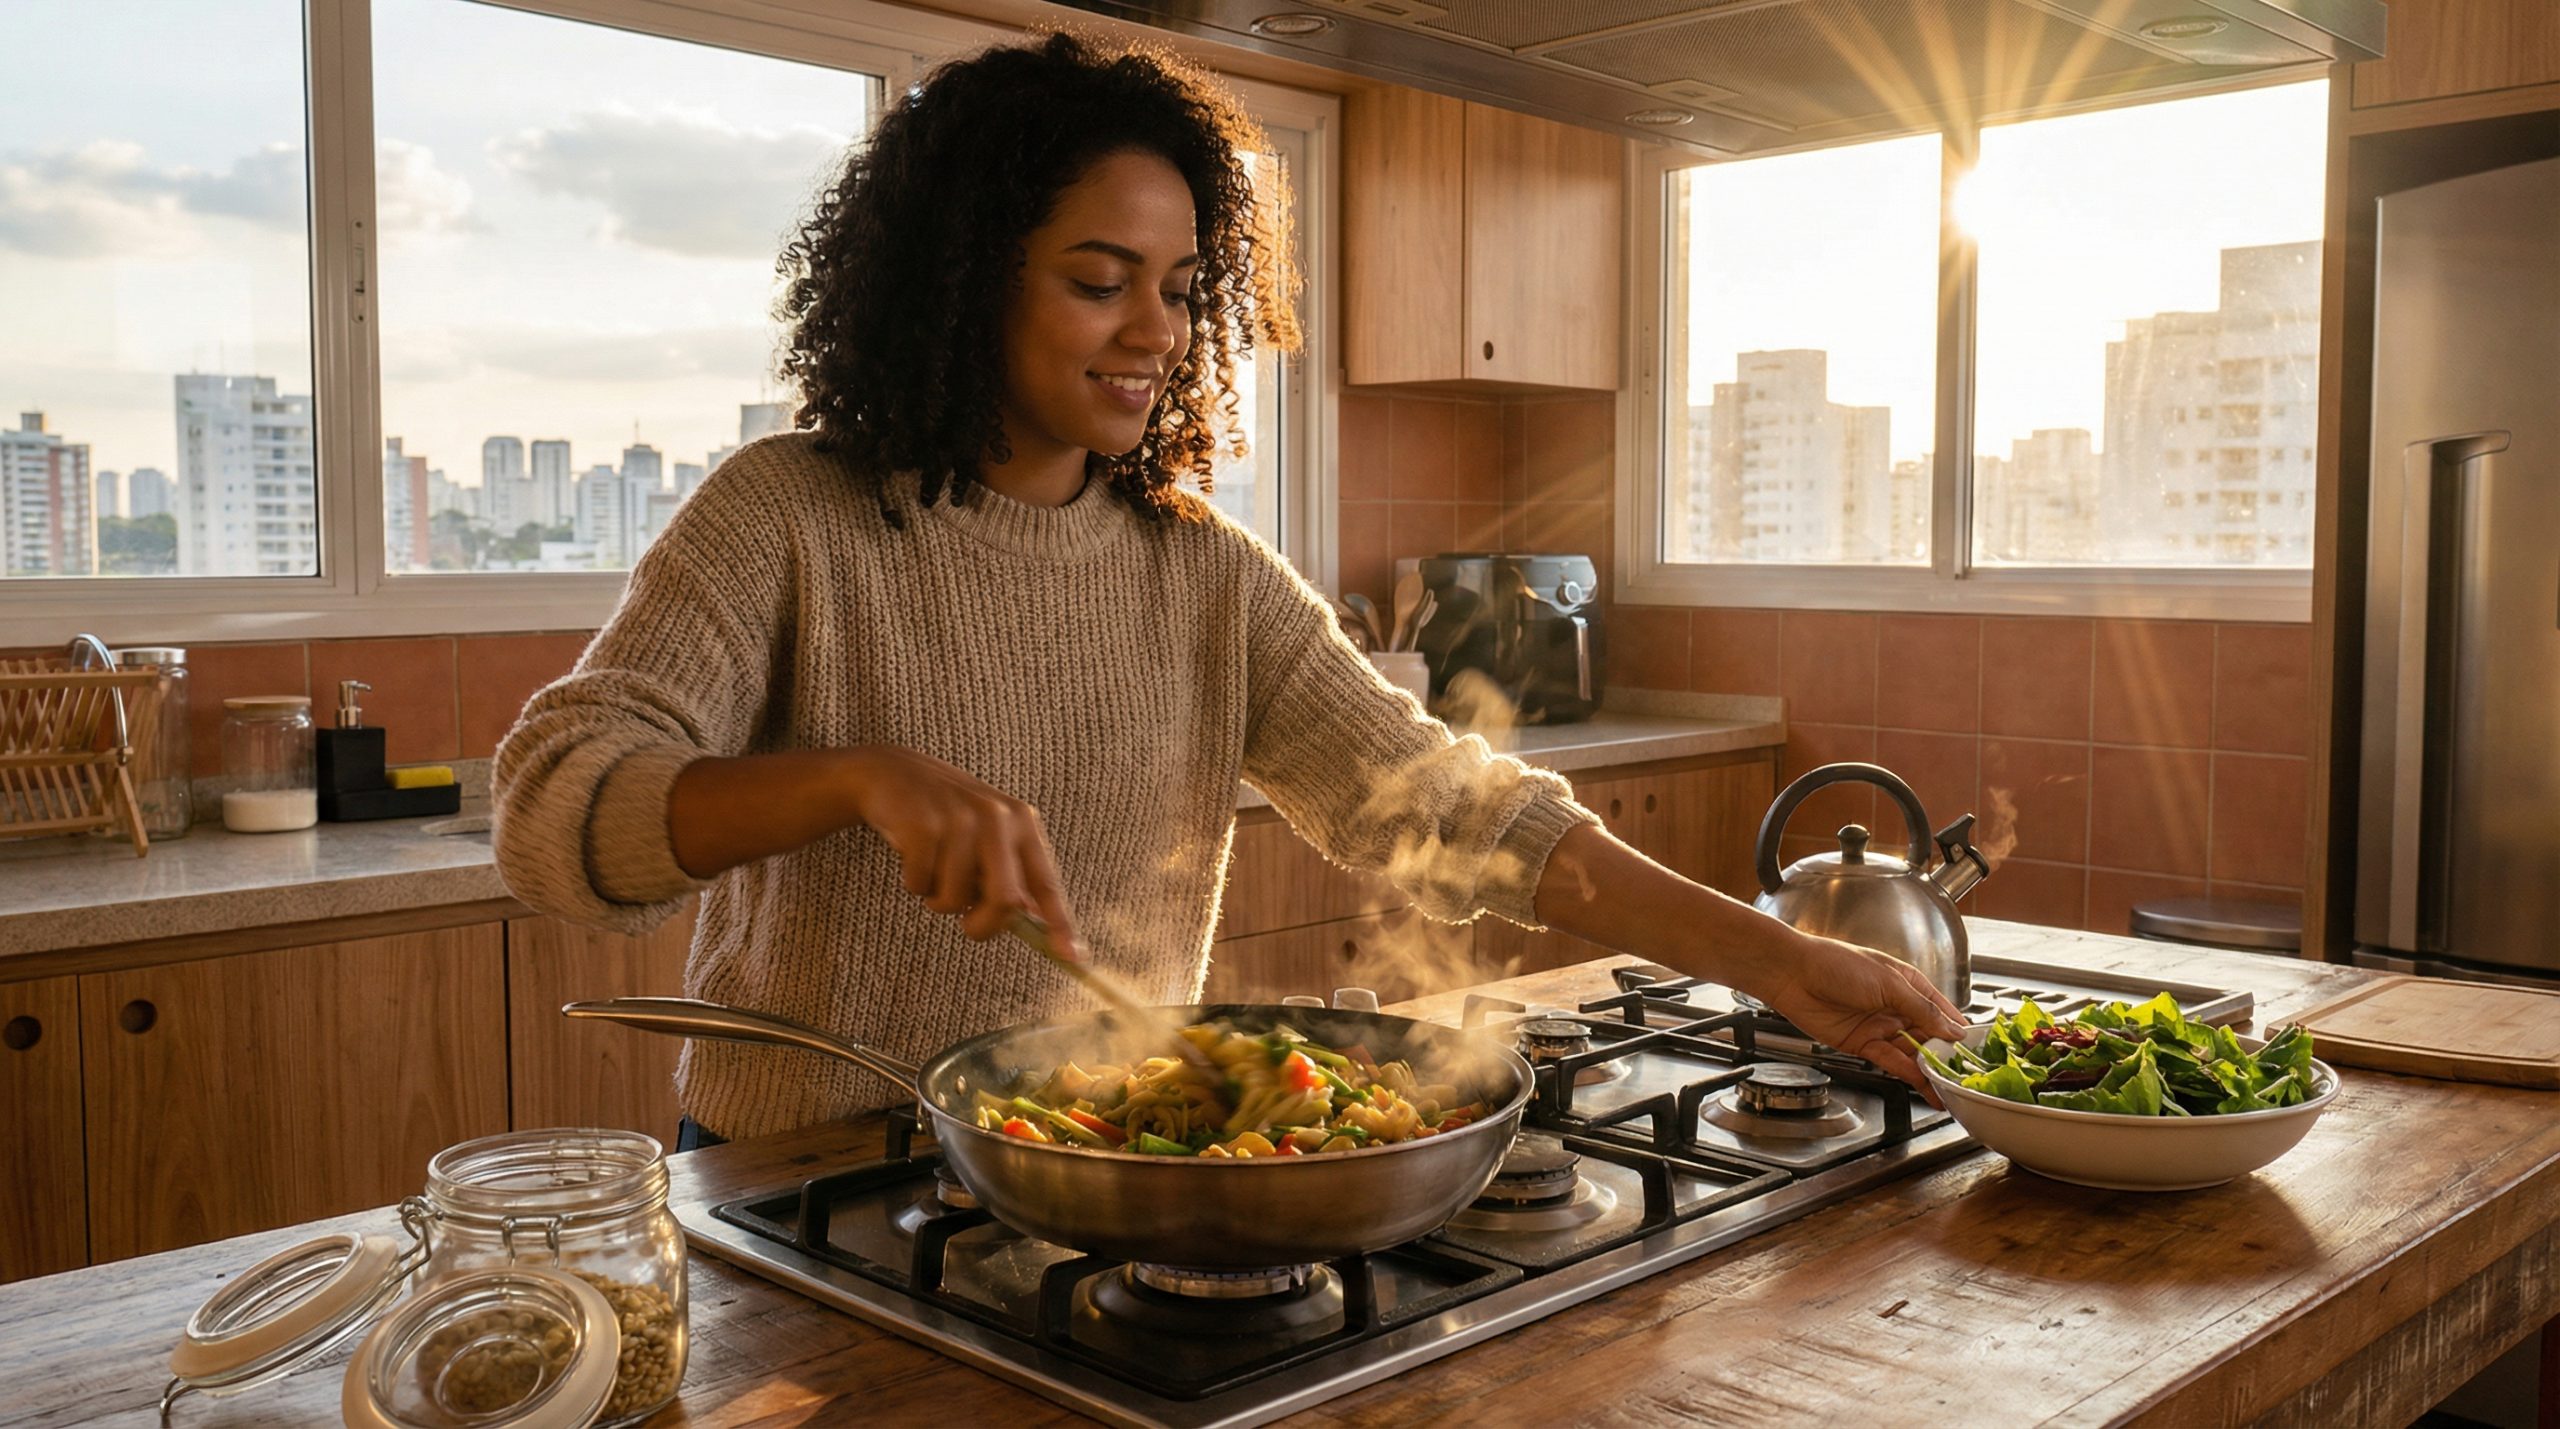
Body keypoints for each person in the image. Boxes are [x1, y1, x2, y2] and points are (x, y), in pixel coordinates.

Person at [491, 32, 1965, 1148]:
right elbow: (557, 810)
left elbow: (1455, 813)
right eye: (1097, 277)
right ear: (964, 279)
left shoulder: (1200, 575)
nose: (1155, 329)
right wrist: (857, 780)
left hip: (1087, 1163)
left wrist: (1786, 961)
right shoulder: (789, 516)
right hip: (791, 1179)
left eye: (1184, 287)